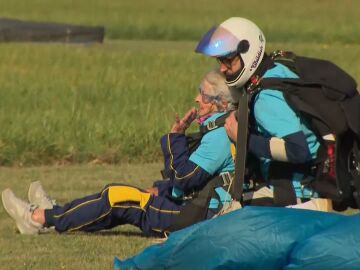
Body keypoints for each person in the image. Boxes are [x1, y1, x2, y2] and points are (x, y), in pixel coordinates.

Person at [1, 69, 236, 236]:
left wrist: (175, 138)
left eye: (204, 95)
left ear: (222, 103)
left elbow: (184, 179)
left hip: (195, 219)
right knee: (128, 193)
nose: (197, 99)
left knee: (118, 198)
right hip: (195, 207)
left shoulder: (219, 136)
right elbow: (196, 180)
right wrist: (159, 188)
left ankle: (36, 219)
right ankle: (54, 214)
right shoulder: (220, 128)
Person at [195, 17, 334, 209]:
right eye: (220, 60)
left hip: (296, 194)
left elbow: (299, 150)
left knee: (218, 210)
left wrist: (244, 138)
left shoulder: (266, 99)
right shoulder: (276, 69)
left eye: (228, 60)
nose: (222, 68)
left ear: (247, 53)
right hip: (307, 184)